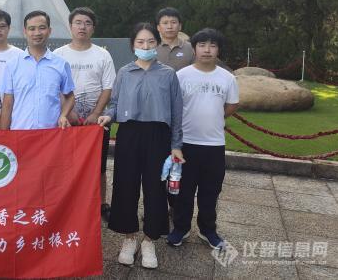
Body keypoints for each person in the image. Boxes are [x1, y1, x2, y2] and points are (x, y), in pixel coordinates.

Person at [98, 22, 183, 269]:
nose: (145, 46)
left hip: (158, 135)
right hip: (129, 134)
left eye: (150, 42)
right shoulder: (125, 72)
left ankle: (150, 239)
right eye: (140, 42)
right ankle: (129, 237)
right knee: (126, 185)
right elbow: (114, 103)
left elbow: (177, 112)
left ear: (157, 44)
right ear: (132, 45)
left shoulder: (168, 74)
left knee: (156, 188)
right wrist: (108, 116)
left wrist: (176, 144)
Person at [168, 28, 239, 249]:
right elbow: (173, 108)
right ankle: (181, 228)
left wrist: (215, 116)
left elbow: (231, 106)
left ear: (218, 50)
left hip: (214, 145)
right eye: (202, 45)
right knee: (184, 192)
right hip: (185, 144)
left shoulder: (227, 77)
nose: (207, 50)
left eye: (212, 45)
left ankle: (208, 231)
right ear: (194, 48)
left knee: (210, 191)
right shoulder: (181, 76)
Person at [54, 7, 116, 222]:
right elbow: (55, 86)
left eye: (87, 23)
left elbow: (108, 87)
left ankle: (101, 204)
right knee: (65, 164)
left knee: (98, 166)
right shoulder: (59, 55)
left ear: (93, 28)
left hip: (95, 122)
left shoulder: (102, 54)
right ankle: (67, 203)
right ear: (70, 26)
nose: (82, 27)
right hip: (66, 121)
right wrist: (67, 112)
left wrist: (96, 113)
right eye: (78, 22)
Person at [0, 10, 75, 130]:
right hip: (20, 133)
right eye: (32, 28)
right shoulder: (12, 65)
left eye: (42, 28)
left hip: (50, 134)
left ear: (49, 31)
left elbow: (70, 97)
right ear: (25, 32)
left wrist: (63, 115)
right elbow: (8, 104)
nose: (37, 33)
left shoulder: (61, 64)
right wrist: (3, 136)